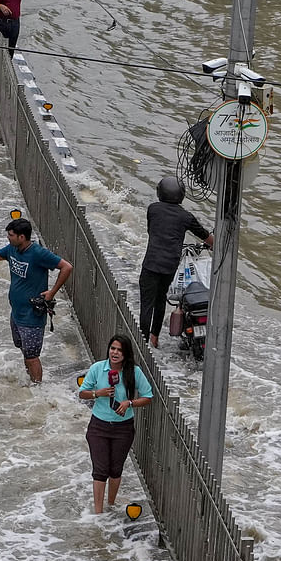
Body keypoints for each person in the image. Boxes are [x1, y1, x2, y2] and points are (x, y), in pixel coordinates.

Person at [0, 217, 74, 385]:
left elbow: (67, 267)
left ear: (22, 237)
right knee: (25, 351)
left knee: (32, 356)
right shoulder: (12, 249)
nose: (8, 237)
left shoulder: (38, 253)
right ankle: (30, 381)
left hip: (32, 316)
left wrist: (52, 292)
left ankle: (38, 388)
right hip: (16, 313)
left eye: (11, 235)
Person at [78, 336, 153, 513]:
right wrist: (98, 393)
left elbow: (148, 396)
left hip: (123, 428)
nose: (115, 353)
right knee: (100, 469)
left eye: (119, 350)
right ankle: (98, 513)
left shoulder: (134, 372)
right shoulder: (98, 368)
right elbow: (82, 393)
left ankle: (110, 504)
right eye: (113, 348)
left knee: (115, 468)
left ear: (126, 354)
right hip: (99, 426)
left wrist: (130, 403)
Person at [138, 176, 213, 349]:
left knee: (146, 304)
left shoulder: (153, 209)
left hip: (151, 263)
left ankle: (141, 343)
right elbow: (204, 235)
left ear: (160, 192)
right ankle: (154, 337)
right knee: (160, 299)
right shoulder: (186, 216)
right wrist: (217, 245)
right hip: (169, 266)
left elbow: (151, 230)